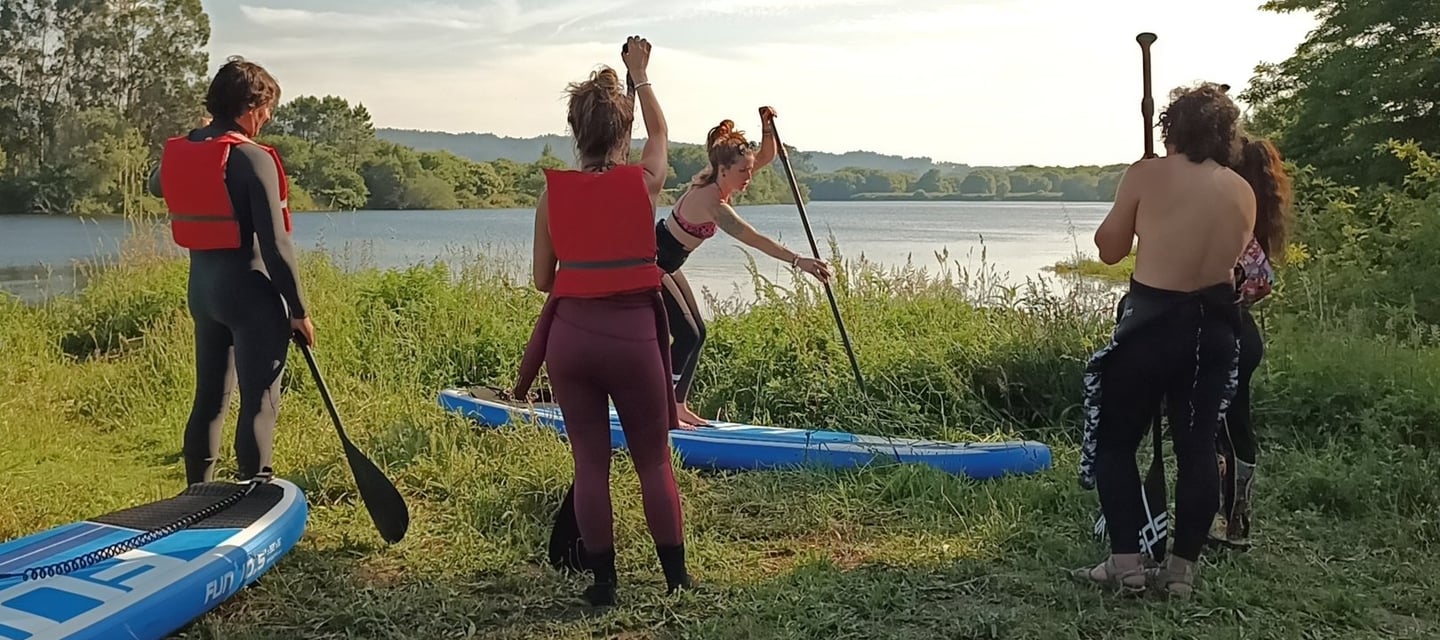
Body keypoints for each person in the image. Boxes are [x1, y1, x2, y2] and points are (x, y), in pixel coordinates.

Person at [509, 36, 692, 606]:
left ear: (575, 130)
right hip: (634, 336)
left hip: (571, 341)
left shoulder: (550, 197)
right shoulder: (642, 183)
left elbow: (545, 280)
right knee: (653, 460)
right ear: (624, 133)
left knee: (589, 464)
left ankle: (604, 584)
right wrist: (640, 75)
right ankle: (676, 580)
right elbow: (662, 137)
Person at [1072, 82, 1253, 598]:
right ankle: (1180, 573)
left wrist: (1139, 196)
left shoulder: (1146, 174)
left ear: (1170, 127)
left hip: (1152, 323)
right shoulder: (1241, 190)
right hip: (1214, 331)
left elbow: (1109, 250)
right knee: (1196, 448)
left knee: (1116, 443)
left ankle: (1126, 564)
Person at [147, 56, 314, 486]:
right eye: (267, 108)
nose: (269, 117)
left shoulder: (184, 152)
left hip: (203, 293)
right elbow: (276, 245)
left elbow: (156, 182)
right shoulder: (252, 159)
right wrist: (298, 309)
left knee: (209, 399)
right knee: (258, 400)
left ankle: (196, 494)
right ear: (249, 106)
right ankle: (253, 492)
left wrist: (201, 133)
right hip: (250, 297)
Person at [657, 110, 833, 427]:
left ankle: (678, 405)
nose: (749, 178)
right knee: (687, 334)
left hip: (671, 262)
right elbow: (752, 237)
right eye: (743, 172)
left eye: (750, 171)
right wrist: (799, 261)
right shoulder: (712, 200)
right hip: (654, 265)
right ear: (723, 170)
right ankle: (665, 410)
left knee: (699, 334)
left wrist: (767, 128)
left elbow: (766, 155)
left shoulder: (720, 174)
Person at [1209, 135, 1293, 549]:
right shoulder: (1251, 215)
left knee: (1218, 427)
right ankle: (1235, 521)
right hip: (1244, 331)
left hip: (1228, 334)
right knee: (1235, 425)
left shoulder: (1231, 218)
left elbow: (1258, 280)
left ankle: (1225, 524)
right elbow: (1262, 286)